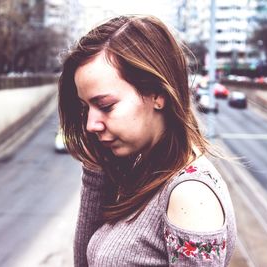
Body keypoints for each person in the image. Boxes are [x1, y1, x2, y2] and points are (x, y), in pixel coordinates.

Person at [58, 15, 236, 267]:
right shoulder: (149, 175)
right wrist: (96, 170)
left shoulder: (191, 196)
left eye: (105, 106)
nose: (90, 125)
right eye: (86, 108)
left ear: (157, 94)